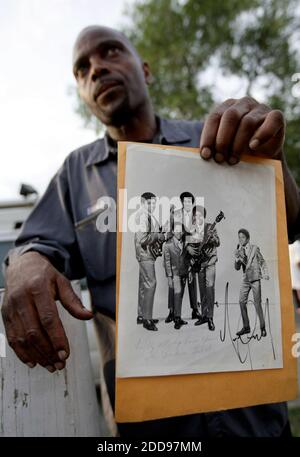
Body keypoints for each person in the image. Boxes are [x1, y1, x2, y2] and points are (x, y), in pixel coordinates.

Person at [2, 25, 300, 437]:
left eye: (110, 52)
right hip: (152, 432)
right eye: (82, 68)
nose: (97, 69)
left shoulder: (218, 138)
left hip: (254, 422)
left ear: (145, 70)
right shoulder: (76, 174)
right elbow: (33, 248)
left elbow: (291, 224)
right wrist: (23, 264)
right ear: (82, 94)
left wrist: (273, 159)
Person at [134, 192, 163, 331]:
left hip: (147, 254)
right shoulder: (141, 217)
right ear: (142, 202)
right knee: (151, 283)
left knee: (143, 285)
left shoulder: (149, 216)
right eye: (149, 203)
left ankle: (141, 315)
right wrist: (158, 235)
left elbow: (152, 232)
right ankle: (147, 319)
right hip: (144, 254)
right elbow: (142, 239)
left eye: (154, 203)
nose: (152, 206)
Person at [234, 229, 269, 337]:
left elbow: (262, 261)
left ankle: (262, 328)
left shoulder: (254, 248)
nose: (240, 239)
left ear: (247, 238)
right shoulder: (238, 250)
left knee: (257, 304)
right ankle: (246, 327)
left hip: (255, 279)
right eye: (239, 237)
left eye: (243, 237)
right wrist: (237, 259)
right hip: (245, 279)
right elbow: (236, 268)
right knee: (241, 301)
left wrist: (266, 273)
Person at [173, 192, 201, 320]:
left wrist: (192, 246)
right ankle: (176, 313)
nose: (187, 203)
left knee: (192, 282)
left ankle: (195, 310)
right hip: (180, 253)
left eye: (190, 201)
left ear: (192, 202)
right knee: (180, 281)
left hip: (193, 252)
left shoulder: (197, 216)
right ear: (182, 202)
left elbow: (199, 234)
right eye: (185, 201)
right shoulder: (177, 215)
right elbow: (176, 233)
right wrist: (186, 246)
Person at [194, 208, 220, 331]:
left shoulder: (211, 227)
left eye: (200, 215)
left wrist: (211, 238)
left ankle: (210, 317)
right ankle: (204, 315)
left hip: (210, 262)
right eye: (195, 216)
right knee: (202, 290)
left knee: (210, 288)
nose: (197, 218)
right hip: (200, 263)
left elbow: (218, 242)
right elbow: (191, 246)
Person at [163, 231, 189, 329]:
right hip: (175, 274)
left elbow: (187, 259)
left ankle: (177, 315)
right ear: (173, 231)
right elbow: (167, 262)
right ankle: (177, 318)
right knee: (177, 292)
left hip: (184, 273)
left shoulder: (185, 243)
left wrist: (188, 271)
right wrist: (169, 277)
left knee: (180, 295)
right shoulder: (168, 245)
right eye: (176, 230)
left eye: (180, 231)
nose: (179, 232)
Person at [289, 237, 300, 315]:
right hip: (297, 275)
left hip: (291, 276)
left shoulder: (288, 247)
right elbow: (298, 261)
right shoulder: (297, 246)